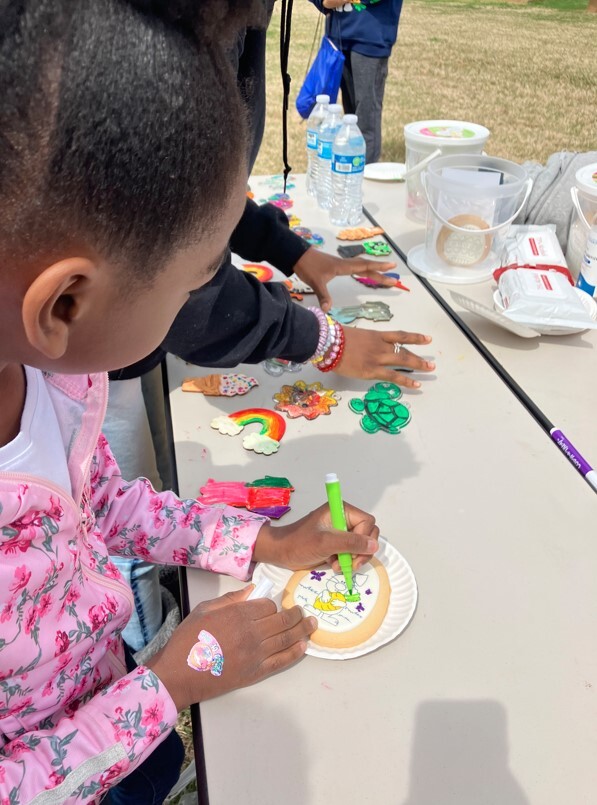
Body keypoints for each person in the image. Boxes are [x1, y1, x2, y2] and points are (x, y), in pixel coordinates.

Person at [0, 2, 382, 802]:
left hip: (113, 705)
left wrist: (262, 542)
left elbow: (101, 502)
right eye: (193, 282)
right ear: (65, 302)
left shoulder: (50, 378)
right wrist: (169, 686)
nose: (198, 303)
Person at [105, 0, 434, 655]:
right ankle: (138, 636)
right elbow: (186, 289)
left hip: (118, 350)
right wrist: (324, 340)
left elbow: (206, 193)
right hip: (110, 360)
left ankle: (145, 626)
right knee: (120, 535)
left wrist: (292, 252)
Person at [309, 0, 405, 163]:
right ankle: (352, 167)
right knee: (351, 116)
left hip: (370, 37)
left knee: (366, 116)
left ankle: (366, 174)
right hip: (338, 36)